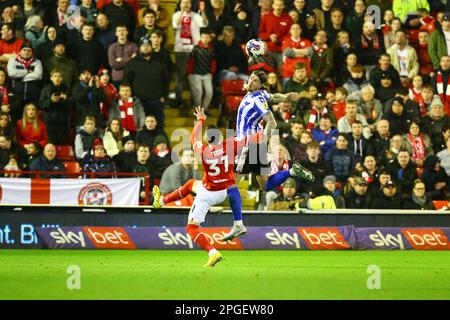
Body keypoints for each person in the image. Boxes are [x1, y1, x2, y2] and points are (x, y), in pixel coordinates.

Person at [123, 37, 168, 126]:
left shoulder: (159, 62)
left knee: (159, 125)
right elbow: (126, 81)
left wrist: (164, 95)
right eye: (143, 45)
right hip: (138, 101)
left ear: (151, 47)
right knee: (139, 125)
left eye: (148, 45)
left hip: (156, 101)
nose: (146, 47)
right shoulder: (132, 63)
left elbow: (165, 80)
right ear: (139, 48)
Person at [172, 0, 208, 108]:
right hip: (181, 50)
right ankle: (178, 100)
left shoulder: (195, 15)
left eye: (188, 2)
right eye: (184, 2)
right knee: (180, 76)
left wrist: (203, 11)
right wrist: (183, 13)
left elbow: (205, 23)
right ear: (180, 4)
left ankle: (194, 100)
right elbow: (175, 25)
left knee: (194, 76)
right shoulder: (176, 15)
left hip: (194, 51)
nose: (186, 5)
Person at [7, 43, 43, 120]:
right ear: (20, 51)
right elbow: (11, 73)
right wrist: (28, 71)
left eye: (29, 50)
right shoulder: (13, 60)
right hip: (17, 98)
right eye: (24, 50)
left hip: (32, 98)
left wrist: (19, 77)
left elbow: (38, 75)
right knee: (16, 122)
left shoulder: (37, 62)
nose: (26, 52)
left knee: (31, 122)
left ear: (32, 52)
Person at [258, 0, 293, 74]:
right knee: (268, 73)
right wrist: (269, 36)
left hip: (282, 51)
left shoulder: (288, 19)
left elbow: (290, 36)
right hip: (268, 51)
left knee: (282, 73)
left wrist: (279, 40)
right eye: (276, 5)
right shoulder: (266, 17)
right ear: (273, 6)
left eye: (280, 5)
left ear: (283, 6)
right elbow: (261, 34)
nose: (278, 7)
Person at [39, 69, 71, 145]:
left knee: (62, 146)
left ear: (62, 78)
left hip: (62, 125)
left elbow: (71, 105)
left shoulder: (66, 89)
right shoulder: (46, 89)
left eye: (59, 76)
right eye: (55, 76)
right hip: (49, 125)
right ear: (51, 78)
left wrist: (65, 99)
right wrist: (51, 101)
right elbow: (41, 104)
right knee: (50, 146)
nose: (57, 78)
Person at [187, 29, 215, 112]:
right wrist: (189, 73)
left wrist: (211, 73)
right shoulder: (195, 49)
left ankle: (204, 110)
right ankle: (198, 110)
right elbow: (190, 62)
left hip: (207, 73)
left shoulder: (212, 50)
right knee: (198, 92)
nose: (205, 39)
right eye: (203, 37)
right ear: (200, 38)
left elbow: (213, 63)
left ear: (210, 39)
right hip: (195, 73)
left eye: (207, 37)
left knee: (209, 92)